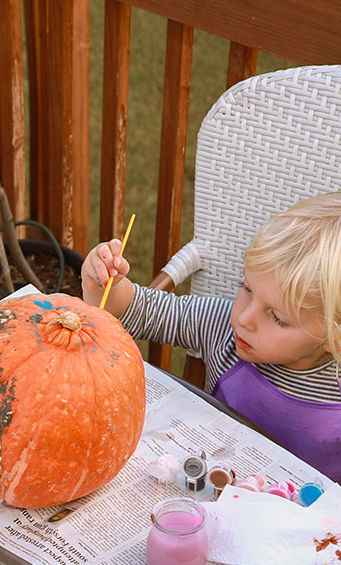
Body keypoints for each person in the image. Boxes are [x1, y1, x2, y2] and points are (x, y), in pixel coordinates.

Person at [83, 191, 341, 482]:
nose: (244, 319)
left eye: (278, 318)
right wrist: (104, 284)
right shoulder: (221, 327)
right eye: (246, 289)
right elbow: (140, 311)